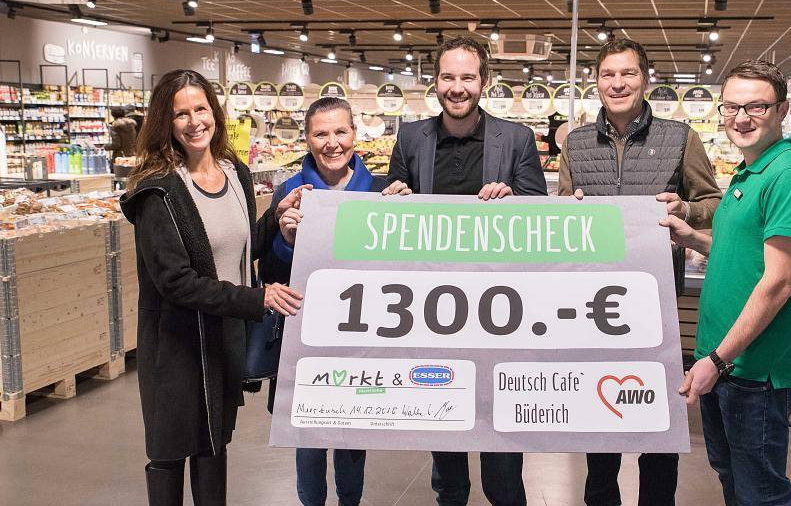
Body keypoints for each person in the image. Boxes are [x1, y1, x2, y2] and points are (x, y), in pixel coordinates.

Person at [119, 69, 304, 506]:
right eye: (179, 113)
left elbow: (235, 249)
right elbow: (177, 282)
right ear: (165, 121)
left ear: (215, 113)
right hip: (176, 346)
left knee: (213, 443)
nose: (193, 121)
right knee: (169, 449)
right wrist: (256, 299)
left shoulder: (233, 173)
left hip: (221, 340)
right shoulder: (157, 193)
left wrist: (275, 218)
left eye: (200, 108)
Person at [558, 36, 722, 506]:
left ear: (645, 79)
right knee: (598, 424)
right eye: (608, 74)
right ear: (595, 82)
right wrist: (569, 210)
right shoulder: (577, 141)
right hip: (594, 311)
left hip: (657, 310)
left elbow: (712, 202)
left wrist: (686, 209)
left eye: (628, 73)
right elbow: (565, 207)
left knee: (657, 428)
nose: (618, 83)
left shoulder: (680, 137)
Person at [384, 35, 547, 506]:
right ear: (435, 82)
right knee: (445, 428)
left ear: (485, 82)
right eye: (448, 77)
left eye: (467, 78)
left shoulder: (515, 139)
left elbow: (540, 214)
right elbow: (397, 223)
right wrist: (394, 201)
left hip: (500, 315)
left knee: (501, 445)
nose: (457, 88)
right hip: (435, 315)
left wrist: (515, 202)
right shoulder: (411, 137)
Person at [661, 59, 791, 506]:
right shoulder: (747, 173)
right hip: (726, 361)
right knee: (733, 478)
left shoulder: (789, 177)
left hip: (752, 369)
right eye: (731, 107)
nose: (741, 118)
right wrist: (694, 236)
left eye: (756, 106)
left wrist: (716, 359)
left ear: (782, 109)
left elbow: (778, 283)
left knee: (760, 491)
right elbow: (745, 254)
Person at [261, 97, 394, 506]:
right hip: (306, 332)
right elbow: (270, 272)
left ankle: (350, 500)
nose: (332, 143)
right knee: (309, 432)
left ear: (355, 134)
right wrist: (285, 240)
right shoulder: (290, 191)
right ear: (307, 138)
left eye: (340, 132)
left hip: (362, 332)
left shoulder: (379, 189)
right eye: (321, 134)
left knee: (354, 429)